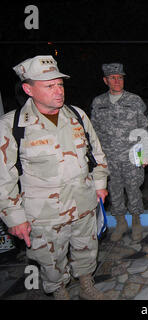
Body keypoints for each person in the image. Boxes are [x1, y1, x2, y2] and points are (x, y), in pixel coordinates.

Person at [0, 55, 110, 300]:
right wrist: (14, 217)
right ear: (29, 89)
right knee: (51, 261)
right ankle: (59, 291)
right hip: (44, 214)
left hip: (83, 203)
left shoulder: (77, 116)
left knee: (87, 251)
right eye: (49, 86)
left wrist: (100, 184)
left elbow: (97, 153)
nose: (58, 91)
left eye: (60, 84)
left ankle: (86, 284)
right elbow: (2, 178)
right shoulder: (12, 126)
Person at [90, 63, 148, 242]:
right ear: (105, 80)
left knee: (133, 189)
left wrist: (145, 153)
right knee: (114, 190)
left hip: (132, 155)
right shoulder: (98, 102)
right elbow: (94, 131)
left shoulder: (135, 100)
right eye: (113, 78)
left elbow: (144, 128)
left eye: (120, 77)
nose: (117, 81)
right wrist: (97, 158)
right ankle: (121, 222)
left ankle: (137, 222)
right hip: (109, 157)